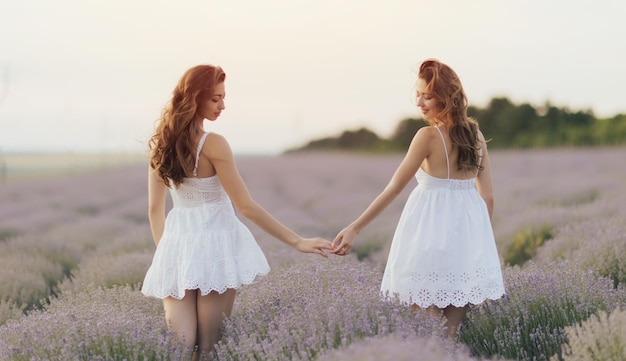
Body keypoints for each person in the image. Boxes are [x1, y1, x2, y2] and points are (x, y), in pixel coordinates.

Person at [141, 64, 334, 360]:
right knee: (207, 347)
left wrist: (165, 253)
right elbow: (244, 205)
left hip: (177, 246)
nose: (223, 105)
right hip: (215, 245)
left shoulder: (161, 143)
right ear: (195, 98)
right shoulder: (214, 143)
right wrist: (297, 241)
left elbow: (155, 210)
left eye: (223, 97)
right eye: (216, 98)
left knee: (180, 347)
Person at [332, 58, 505, 340]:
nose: (420, 103)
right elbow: (489, 197)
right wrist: (478, 240)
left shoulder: (427, 136)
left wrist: (355, 227)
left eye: (427, 96)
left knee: (429, 330)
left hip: (426, 239)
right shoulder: (478, 137)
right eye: (418, 95)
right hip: (465, 245)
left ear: (446, 99)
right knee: (449, 335)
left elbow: (393, 188)